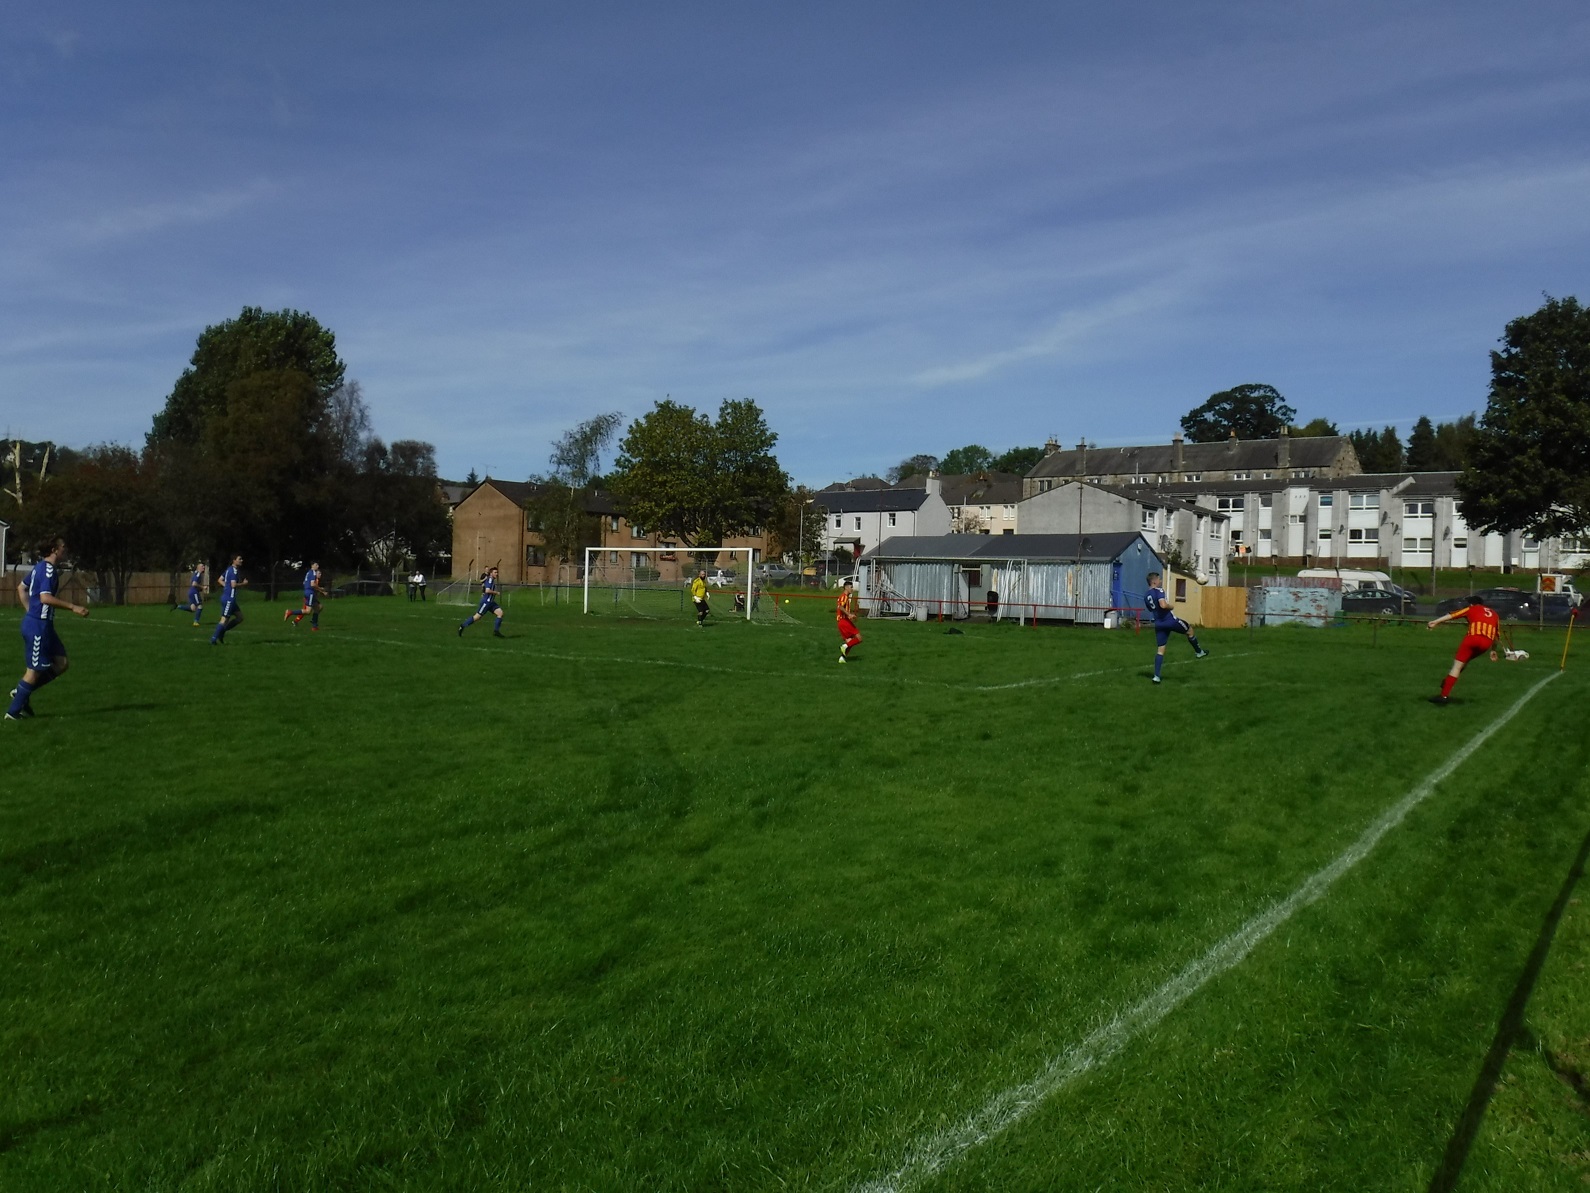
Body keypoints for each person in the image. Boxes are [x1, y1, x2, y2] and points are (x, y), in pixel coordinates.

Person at [7, 537, 89, 721]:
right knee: (34, 671)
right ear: (54, 549)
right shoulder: (49, 570)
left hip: (42, 625)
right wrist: (73, 607)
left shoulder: (39, 567)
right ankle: (12, 713)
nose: (65, 550)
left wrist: (30, 610)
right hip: (38, 626)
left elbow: (21, 588)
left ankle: (21, 694)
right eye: (63, 547)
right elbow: (45, 597)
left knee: (61, 663)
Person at [1425, 601, 1501, 704]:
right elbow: (1496, 635)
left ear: (1473, 604)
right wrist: (1493, 650)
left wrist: (1436, 622)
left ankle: (1443, 696)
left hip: (1473, 638)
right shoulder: (1495, 615)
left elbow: (1453, 615)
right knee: (1464, 662)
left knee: (1457, 666)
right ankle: (1447, 681)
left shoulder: (1472, 608)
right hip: (1486, 643)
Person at [1144, 571, 1208, 683]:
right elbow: (1163, 605)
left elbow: (1151, 609)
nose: (1160, 581)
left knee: (1160, 650)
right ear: (1154, 581)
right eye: (1159, 579)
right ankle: (1199, 652)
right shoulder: (1159, 591)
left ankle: (1156, 676)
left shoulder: (1146, 595)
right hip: (1169, 621)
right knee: (1189, 629)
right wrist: (1171, 606)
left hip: (1159, 624)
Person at [210, 554, 248, 645]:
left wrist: (226, 586)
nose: (241, 560)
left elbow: (220, 580)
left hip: (230, 599)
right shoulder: (233, 571)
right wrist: (244, 583)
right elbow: (233, 585)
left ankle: (221, 632)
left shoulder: (228, 570)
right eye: (239, 559)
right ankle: (214, 639)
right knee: (224, 620)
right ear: (234, 560)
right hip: (229, 599)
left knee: (240, 618)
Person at [458, 567, 505, 637]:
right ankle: (462, 626)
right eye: (495, 572)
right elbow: (487, 590)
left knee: (500, 613)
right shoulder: (490, 580)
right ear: (491, 573)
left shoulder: (491, 580)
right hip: (486, 602)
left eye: (497, 572)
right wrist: (496, 592)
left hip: (491, 602)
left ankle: (496, 631)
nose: (497, 574)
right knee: (477, 617)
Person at [286, 561, 327, 630]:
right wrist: (322, 590)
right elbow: (312, 585)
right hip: (310, 594)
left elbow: (304, 582)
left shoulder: (309, 573)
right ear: (312, 565)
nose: (318, 566)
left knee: (319, 607)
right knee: (307, 611)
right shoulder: (313, 574)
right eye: (316, 565)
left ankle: (314, 626)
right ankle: (291, 613)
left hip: (309, 594)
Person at [836, 577, 862, 663]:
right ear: (846, 587)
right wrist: (849, 614)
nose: (852, 589)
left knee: (850, 641)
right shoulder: (844, 597)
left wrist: (850, 616)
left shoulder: (844, 597)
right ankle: (844, 646)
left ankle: (842, 658)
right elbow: (840, 607)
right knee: (859, 638)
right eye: (851, 587)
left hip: (841, 622)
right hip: (843, 621)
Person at [185, 561, 206, 626]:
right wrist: (202, 587)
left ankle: (178, 606)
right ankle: (195, 622)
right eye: (202, 566)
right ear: (198, 568)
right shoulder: (198, 574)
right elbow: (194, 584)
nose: (204, 567)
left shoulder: (195, 573)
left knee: (193, 608)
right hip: (194, 592)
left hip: (191, 591)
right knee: (200, 606)